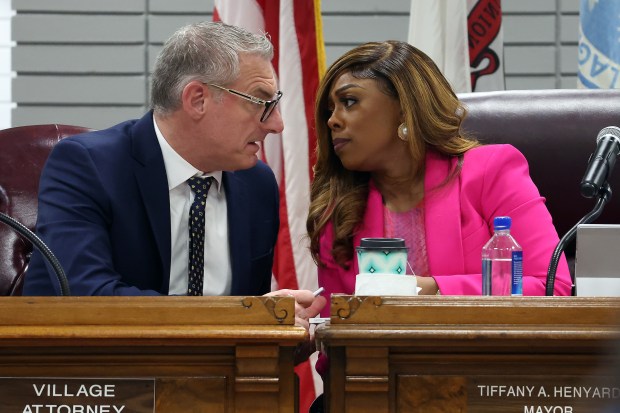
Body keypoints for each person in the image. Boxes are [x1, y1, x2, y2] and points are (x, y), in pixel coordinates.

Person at [23, 21, 324, 328]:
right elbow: (90, 299)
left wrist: (275, 322)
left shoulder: (257, 184)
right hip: (97, 369)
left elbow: (250, 322)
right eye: (261, 103)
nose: (277, 124)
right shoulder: (87, 165)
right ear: (198, 99)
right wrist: (241, 315)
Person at [306, 40, 572, 304]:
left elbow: (551, 287)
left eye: (349, 102)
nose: (333, 120)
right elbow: (337, 326)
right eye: (330, 110)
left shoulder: (491, 171)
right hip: (377, 348)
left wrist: (430, 290)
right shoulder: (340, 209)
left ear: (404, 110)